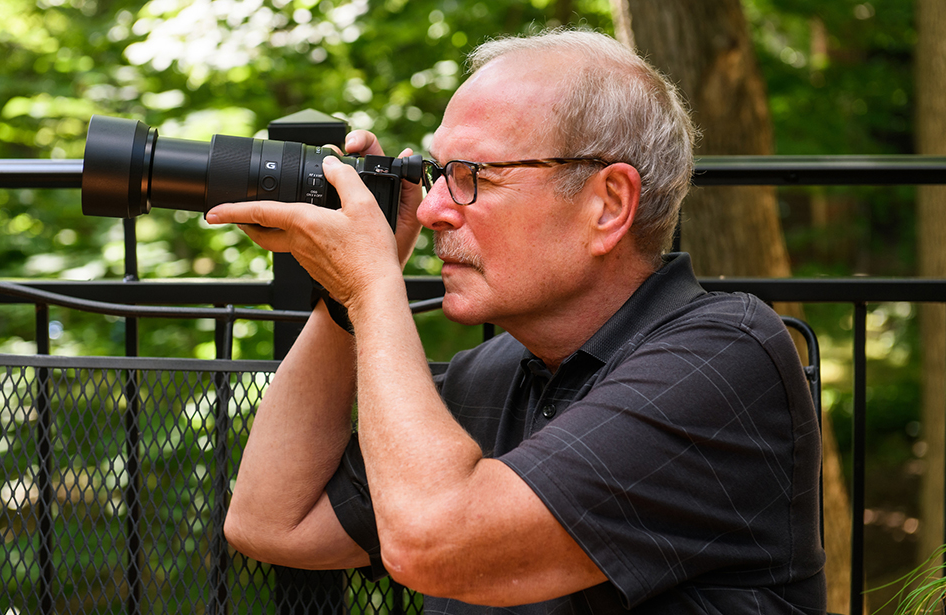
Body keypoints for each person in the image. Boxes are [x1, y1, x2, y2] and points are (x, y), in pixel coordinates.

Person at [209, 27, 826, 614]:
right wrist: (348, 299)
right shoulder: (493, 372)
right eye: (437, 175)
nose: (429, 211)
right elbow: (270, 522)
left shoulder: (724, 360)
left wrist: (372, 287)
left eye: (472, 176)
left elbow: (435, 544)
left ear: (607, 205)